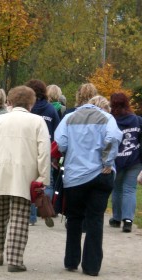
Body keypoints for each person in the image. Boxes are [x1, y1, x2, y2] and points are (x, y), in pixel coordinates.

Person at [0, 86, 51, 272]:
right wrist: (43, 178)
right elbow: (44, 153)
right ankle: (15, 259)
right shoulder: (37, 122)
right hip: (25, 176)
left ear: (10, 102)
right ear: (31, 103)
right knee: (19, 217)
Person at [54, 93, 122, 276]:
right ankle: (91, 266)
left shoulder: (69, 117)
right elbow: (113, 138)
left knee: (74, 217)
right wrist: (107, 162)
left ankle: (71, 260)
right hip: (100, 174)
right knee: (95, 218)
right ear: (103, 106)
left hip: (75, 175)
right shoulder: (107, 118)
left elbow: (60, 143)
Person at [25, 79, 60, 225]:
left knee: (29, 182)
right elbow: (57, 131)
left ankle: (31, 216)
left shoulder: (28, 109)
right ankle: (45, 210)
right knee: (47, 183)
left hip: (29, 149)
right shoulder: (50, 109)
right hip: (47, 150)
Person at [109, 92, 142, 233]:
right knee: (130, 189)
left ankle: (116, 218)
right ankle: (128, 220)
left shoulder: (110, 121)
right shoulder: (137, 120)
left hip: (117, 160)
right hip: (134, 159)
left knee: (117, 189)